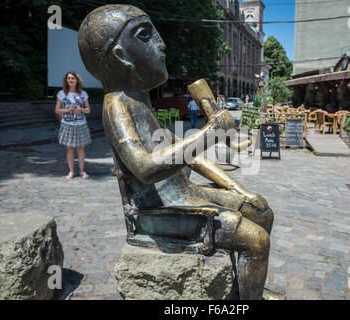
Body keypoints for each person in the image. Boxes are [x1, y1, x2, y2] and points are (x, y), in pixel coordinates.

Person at [78, 4, 273, 299]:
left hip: (183, 195)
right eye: (146, 36)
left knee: (261, 211)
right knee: (256, 240)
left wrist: (238, 189)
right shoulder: (116, 105)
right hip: (155, 211)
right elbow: (143, 168)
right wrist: (209, 134)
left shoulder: (141, 103)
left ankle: (246, 288)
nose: (162, 43)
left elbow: (189, 156)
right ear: (120, 55)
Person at [55, 71, 91, 179]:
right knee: (69, 149)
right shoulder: (62, 94)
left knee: (80, 148)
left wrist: (81, 109)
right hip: (67, 124)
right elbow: (57, 110)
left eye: (72, 78)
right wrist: (68, 110)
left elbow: (88, 110)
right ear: (66, 81)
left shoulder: (83, 94)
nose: (70, 80)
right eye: (68, 78)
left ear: (77, 80)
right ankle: (71, 172)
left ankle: (82, 171)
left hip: (81, 124)